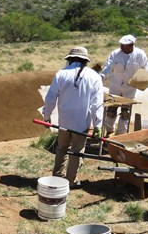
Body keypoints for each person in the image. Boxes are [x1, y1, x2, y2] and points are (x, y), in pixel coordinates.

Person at [42, 47, 104, 189]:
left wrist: (47, 116)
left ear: (69, 59)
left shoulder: (61, 74)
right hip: (82, 122)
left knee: (61, 149)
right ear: (85, 61)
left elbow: (50, 97)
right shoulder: (94, 76)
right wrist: (98, 125)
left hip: (64, 121)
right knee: (76, 152)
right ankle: (71, 181)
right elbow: (97, 104)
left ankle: (57, 177)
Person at [99, 34, 148, 135]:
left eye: (124, 45)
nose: (122, 47)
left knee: (125, 112)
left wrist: (143, 79)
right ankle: (109, 131)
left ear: (132, 45)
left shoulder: (140, 54)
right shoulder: (115, 54)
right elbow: (108, 67)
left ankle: (120, 134)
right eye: (121, 45)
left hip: (130, 88)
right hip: (115, 85)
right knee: (111, 109)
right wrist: (102, 76)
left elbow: (146, 67)